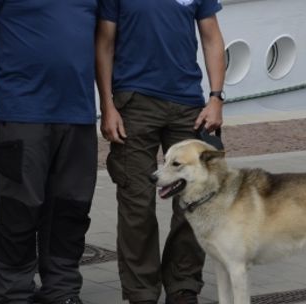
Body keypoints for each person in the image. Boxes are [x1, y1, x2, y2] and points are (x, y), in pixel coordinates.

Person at [0, 1, 99, 303]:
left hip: (78, 111)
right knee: (20, 209)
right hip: (24, 111)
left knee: (71, 209)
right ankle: (14, 292)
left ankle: (62, 291)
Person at [95, 1, 226, 303]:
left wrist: (216, 97)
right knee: (136, 202)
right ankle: (142, 292)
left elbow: (212, 36)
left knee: (196, 200)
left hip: (188, 107)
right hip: (134, 104)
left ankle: (183, 286)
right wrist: (107, 105)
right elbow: (104, 42)